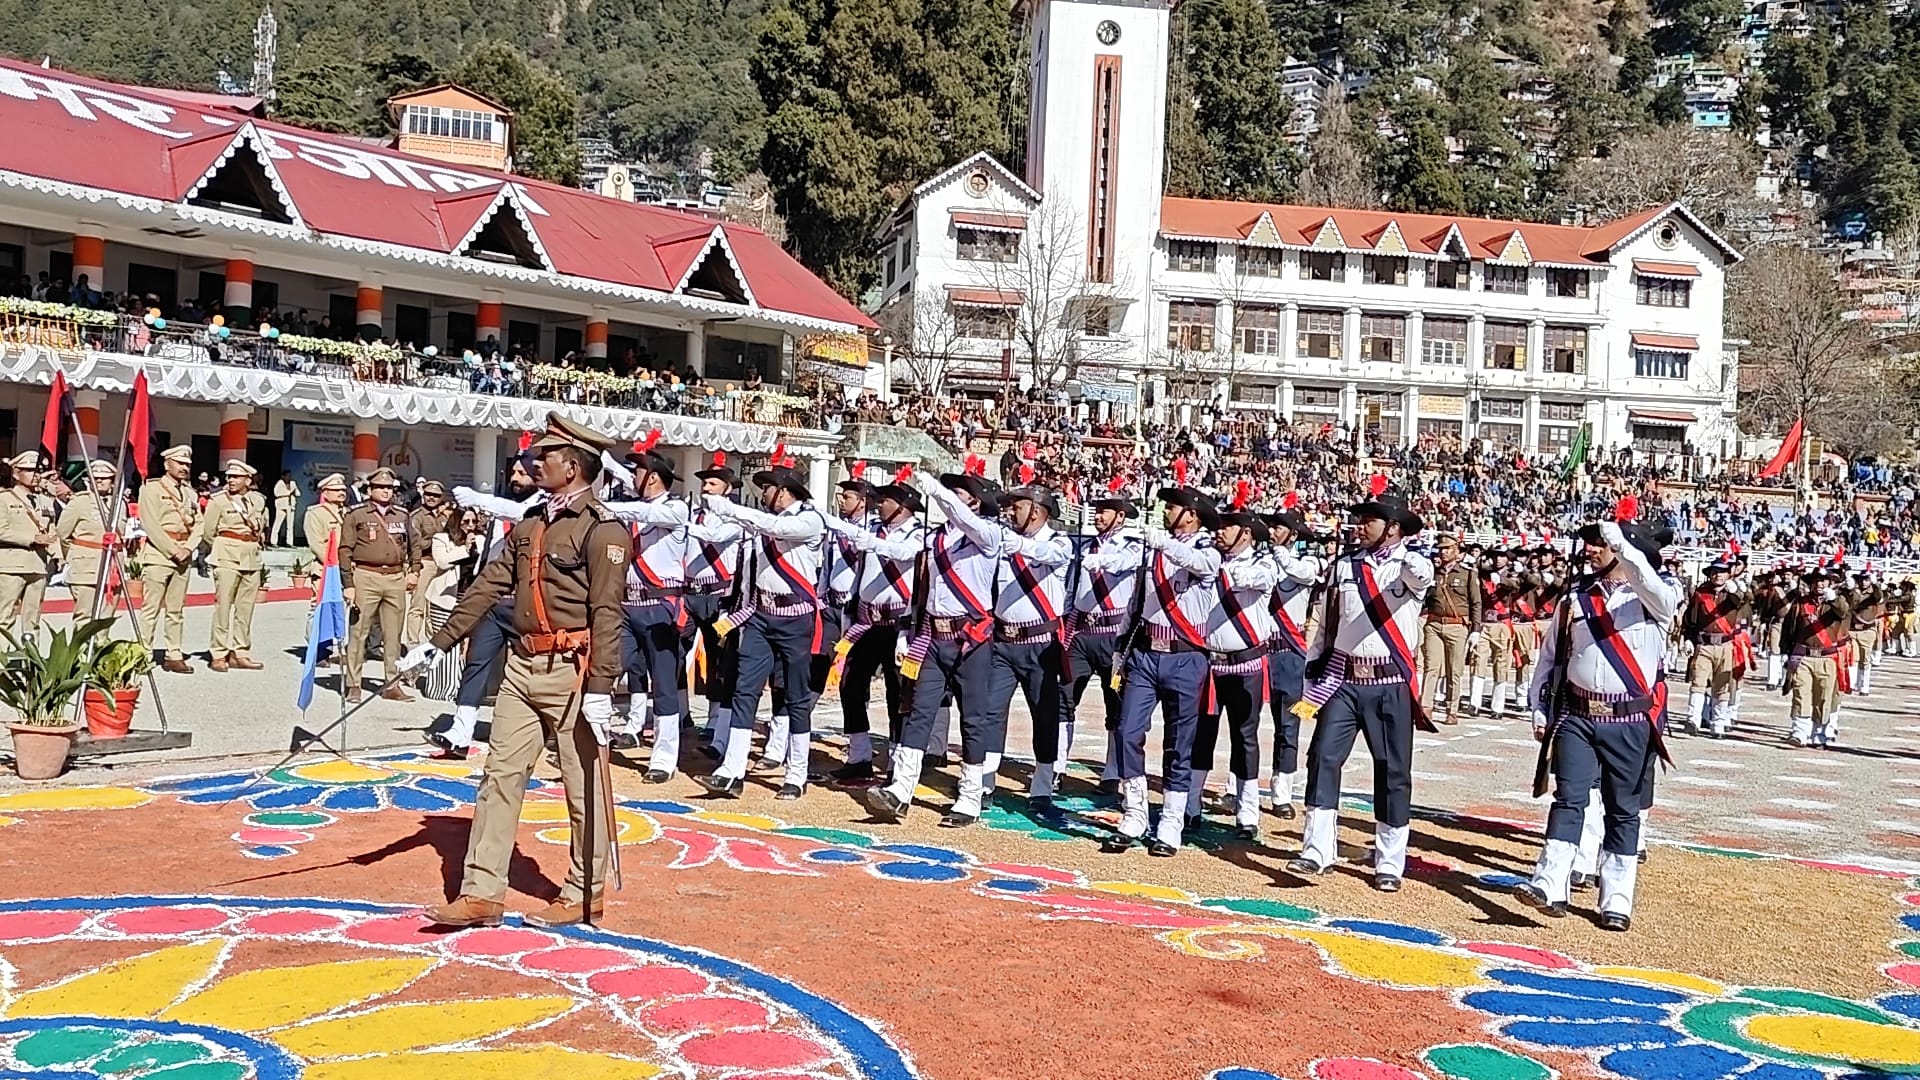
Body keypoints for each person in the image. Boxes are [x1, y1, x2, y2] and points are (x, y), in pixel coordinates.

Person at [408, 413, 631, 929]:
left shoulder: (602, 530)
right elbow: (489, 585)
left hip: (573, 671)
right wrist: (438, 642)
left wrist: (601, 686)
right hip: (522, 665)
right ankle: (482, 892)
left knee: (583, 786)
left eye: (545, 456)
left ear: (572, 467)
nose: (534, 463)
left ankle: (584, 893)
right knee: (499, 778)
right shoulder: (532, 523)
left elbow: (608, 612)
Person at [1514, 515, 1679, 932]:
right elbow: (1550, 658)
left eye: (1600, 543)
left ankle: (1616, 897)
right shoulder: (1575, 599)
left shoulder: (1657, 595)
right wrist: (1539, 706)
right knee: (1568, 799)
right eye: (1589, 542)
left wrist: (1623, 544)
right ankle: (1550, 882)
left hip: (1629, 718)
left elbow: (1652, 587)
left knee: (1623, 810)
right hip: (1579, 716)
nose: (1591, 549)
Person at [1288, 491, 1434, 892]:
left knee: (1392, 769)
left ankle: (1389, 861)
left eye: (1371, 520)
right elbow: (1326, 623)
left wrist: (1403, 551)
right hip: (1343, 680)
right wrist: (1311, 677)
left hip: (1389, 682)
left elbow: (1422, 576)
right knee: (1323, 757)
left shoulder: (1410, 566)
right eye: (1361, 519)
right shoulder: (1344, 566)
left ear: (1393, 527)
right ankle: (1317, 850)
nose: (1361, 526)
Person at [862, 467, 1002, 823]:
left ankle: (970, 795)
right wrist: (908, 632)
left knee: (973, 718)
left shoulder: (988, 534)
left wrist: (938, 492)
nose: (950, 500)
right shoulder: (935, 539)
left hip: (970, 639)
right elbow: (923, 590)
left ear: (975, 501)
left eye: (959, 494)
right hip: (933, 635)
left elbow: (963, 518)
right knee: (918, 710)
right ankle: (901, 789)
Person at [695, 462, 828, 799]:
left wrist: (728, 508)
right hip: (760, 614)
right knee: (744, 689)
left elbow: (776, 527)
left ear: (784, 491)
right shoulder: (761, 522)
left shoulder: (809, 519)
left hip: (795, 619)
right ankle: (732, 770)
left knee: (795, 695)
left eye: (768, 488)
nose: (763, 493)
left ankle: (796, 774)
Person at [1101, 486, 1220, 857]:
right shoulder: (1152, 551)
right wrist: (1120, 647)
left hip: (1186, 655)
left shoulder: (1207, 549)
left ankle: (1170, 821)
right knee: (1126, 730)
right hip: (1146, 652)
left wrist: (1161, 543)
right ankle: (1135, 812)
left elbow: (1199, 563)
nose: (1166, 512)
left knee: (1179, 741)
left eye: (1173, 507)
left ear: (1192, 515)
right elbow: (1137, 602)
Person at [973, 484, 1072, 823]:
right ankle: (984, 782)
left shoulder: (1059, 541)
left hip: (1040, 643)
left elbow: (1050, 555)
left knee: (1044, 715)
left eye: (1018, 506)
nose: (1010, 511)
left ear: (1036, 510)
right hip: (1003, 642)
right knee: (989, 711)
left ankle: (1042, 788)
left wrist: (1019, 546)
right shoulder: (1005, 540)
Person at [436, 455, 544, 757]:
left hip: (527, 600)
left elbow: (521, 513)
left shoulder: (543, 504)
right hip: (496, 599)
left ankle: (540, 729)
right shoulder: (499, 509)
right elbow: (490, 555)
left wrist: (478, 499)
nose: (515, 478)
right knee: (477, 661)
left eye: (522, 473)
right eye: (513, 472)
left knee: (534, 667)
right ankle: (461, 731)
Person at [822, 475, 922, 782]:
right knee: (850, 684)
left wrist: (874, 544)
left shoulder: (919, 533)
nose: (880, 504)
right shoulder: (872, 530)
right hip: (867, 621)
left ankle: (896, 760)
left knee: (898, 694)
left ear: (902, 506)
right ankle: (859, 754)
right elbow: (860, 574)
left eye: (887, 500)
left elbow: (904, 554)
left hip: (898, 626)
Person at [1186, 506, 1277, 842]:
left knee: (1245, 737)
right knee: (1201, 734)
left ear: (1246, 534)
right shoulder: (1209, 559)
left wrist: (1218, 568)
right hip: (1210, 664)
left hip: (1246, 665)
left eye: (1228, 526)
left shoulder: (1263, 563)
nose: (1220, 531)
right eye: (1219, 526)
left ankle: (1247, 812)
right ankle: (1191, 804)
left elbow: (1254, 580)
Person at [600, 444, 690, 779]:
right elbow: (632, 493)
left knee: (663, 684)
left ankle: (664, 759)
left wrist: (604, 505)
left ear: (652, 478)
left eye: (638, 472)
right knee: (606, 668)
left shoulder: (676, 508)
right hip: (628, 607)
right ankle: (593, 740)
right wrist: (602, 459)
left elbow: (646, 513)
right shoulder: (638, 505)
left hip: (660, 607)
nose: (631, 477)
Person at [1058, 497, 1141, 798]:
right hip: (1081, 633)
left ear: (1120, 516)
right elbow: (1071, 587)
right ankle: (1056, 767)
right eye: (1097, 511)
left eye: (1104, 511)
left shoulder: (1131, 545)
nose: (1098, 516)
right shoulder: (1084, 545)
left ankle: (1112, 772)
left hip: (1114, 636)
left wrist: (1102, 560)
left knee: (1116, 703)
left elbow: (1123, 563)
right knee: (1063, 698)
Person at [1261, 508, 1322, 820]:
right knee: (1244, 723)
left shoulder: (1308, 561)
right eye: (1271, 526)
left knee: (1288, 727)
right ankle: (1237, 786)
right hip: (1259, 650)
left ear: (1294, 535)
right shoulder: (1259, 560)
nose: (1272, 531)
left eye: (1279, 527)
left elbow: (1304, 575)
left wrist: (1280, 554)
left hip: (1289, 654)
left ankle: (1281, 791)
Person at [341, 467, 418, 703]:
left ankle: (392, 684)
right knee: (359, 632)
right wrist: (348, 583)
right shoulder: (356, 514)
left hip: (395, 577)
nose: (385, 491)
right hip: (366, 575)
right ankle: (353, 684)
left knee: (393, 635)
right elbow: (345, 550)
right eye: (380, 487)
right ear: (370, 490)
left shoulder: (402, 515)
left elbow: (414, 544)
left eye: (389, 488)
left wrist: (414, 571)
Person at [683, 453, 744, 748]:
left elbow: (714, 537)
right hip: (689, 593)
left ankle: (714, 718)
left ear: (727, 489)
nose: (706, 488)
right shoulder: (692, 514)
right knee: (673, 653)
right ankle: (681, 712)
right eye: (705, 483)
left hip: (719, 595)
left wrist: (682, 526)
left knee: (718, 659)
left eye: (713, 484)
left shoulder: (735, 518)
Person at [197, 460, 268, 671]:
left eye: (236, 477)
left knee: (245, 609)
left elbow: (260, 525)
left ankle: (240, 652)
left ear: (248, 480)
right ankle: (219, 653)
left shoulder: (258, 500)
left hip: (251, 556)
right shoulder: (218, 501)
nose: (231, 480)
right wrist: (223, 546)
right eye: (229, 476)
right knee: (223, 607)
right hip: (227, 556)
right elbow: (208, 532)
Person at [137, 446, 201, 672]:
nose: (184, 467)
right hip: (159, 554)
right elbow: (150, 523)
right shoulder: (151, 488)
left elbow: (199, 524)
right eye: (179, 463)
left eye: (187, 464)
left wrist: (189, 547)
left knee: (176, 610)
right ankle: (143, 654)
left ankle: (174, 653)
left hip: (183, 555)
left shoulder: (190, 493)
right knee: (150, 609)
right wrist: (173, 550)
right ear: (167, 464)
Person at [422, 509, 485, 701]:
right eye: (466, 521)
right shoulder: (441, 539)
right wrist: (465, 549)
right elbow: (442, 562)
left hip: (469, 598)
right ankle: (440, 687)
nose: (470, 525)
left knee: (465, 643)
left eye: (474, 521)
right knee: (444, 641)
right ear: (457, 522)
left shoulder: (481, 539)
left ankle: (457, 686)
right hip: (445, 598)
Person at [1784, 568, 1850, 748]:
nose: (1819, 584)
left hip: (1826, 657)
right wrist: (1786, 652)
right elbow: (1789, 628)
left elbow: (1844, 611)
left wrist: (1834, 599)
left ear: (1830, 583)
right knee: (1801, 693)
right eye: (1816, 580)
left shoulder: (1837, 602)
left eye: (1823, 580)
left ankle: (1819, 732)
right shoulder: (1801, 603)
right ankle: (1799, 731)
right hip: (1804, 656)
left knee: (1823, 697)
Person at [1420, 533, 1480, 724]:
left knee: (1454, 670)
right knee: (1431, 667)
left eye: (1448, 549)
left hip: (1457, 625)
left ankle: (1452, 710)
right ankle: (1426, 707)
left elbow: (1476, 603)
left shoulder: (1467, 574)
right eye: (1441, 549)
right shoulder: (1433, 572)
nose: (1443, 552)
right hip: (1434, 624)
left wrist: (1476, 629)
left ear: (1457, 551)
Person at [1680, 560, 1745, 737]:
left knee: (1722, 686)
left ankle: (1718, 723)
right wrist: (1688, 639)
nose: (1718, 575)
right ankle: (1693, 719)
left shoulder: (1733, 593)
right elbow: (1691, 619)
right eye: (1714, 572)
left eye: (1722, 572)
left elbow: (1742, 602)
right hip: (1704, 644)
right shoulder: (1701, 593)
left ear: (1728, 574)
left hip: (1726, 645)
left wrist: (1736, 591)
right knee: (1698, 683)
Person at [0, 452, 55, 639]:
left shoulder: (45, 501)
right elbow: (1, 530)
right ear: (16, 473)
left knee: (33, 620)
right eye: (30, 470)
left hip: (38, 564)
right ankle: (3, 656)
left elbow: (52, 529)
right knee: (5, 618)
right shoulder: (4, 499)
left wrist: (58, 555)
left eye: (38, 471)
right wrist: (32, 538)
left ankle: (31, 656)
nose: (36, 475)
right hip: (12, 565)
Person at [57, 460, 120, 620]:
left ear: (113, 481)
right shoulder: (80, 502)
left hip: (112, 567)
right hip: (86, 567)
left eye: (104, 478)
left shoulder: (119, 503)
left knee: (106, 617)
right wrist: (75, 555)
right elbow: (63, 534)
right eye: (95, 478)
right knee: (85, 616)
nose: (99, 481)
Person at [405, 480, 452, 648]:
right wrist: (436, 542)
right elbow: (415, 544)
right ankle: (412, 643)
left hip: (442, 565)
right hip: (425, 562)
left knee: (436, 606)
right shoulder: (417, 516)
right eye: (429, 494)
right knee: (418, 605)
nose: (432, 498)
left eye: (436, 495)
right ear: (423, 495)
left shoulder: (445, 517)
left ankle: (432, 642)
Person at [272, 471, 299, 547]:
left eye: (290, 476)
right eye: (287, 475)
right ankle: (273, 541)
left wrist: (295, 489)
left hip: (290, 506)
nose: (289, 477)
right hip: (281, 506)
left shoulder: (292, 483)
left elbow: (298, 494)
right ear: (283, 476)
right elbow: (276, 493)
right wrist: (289, 492)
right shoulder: (280, 483)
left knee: (290, 526)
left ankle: (289, 542)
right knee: (277, 524)